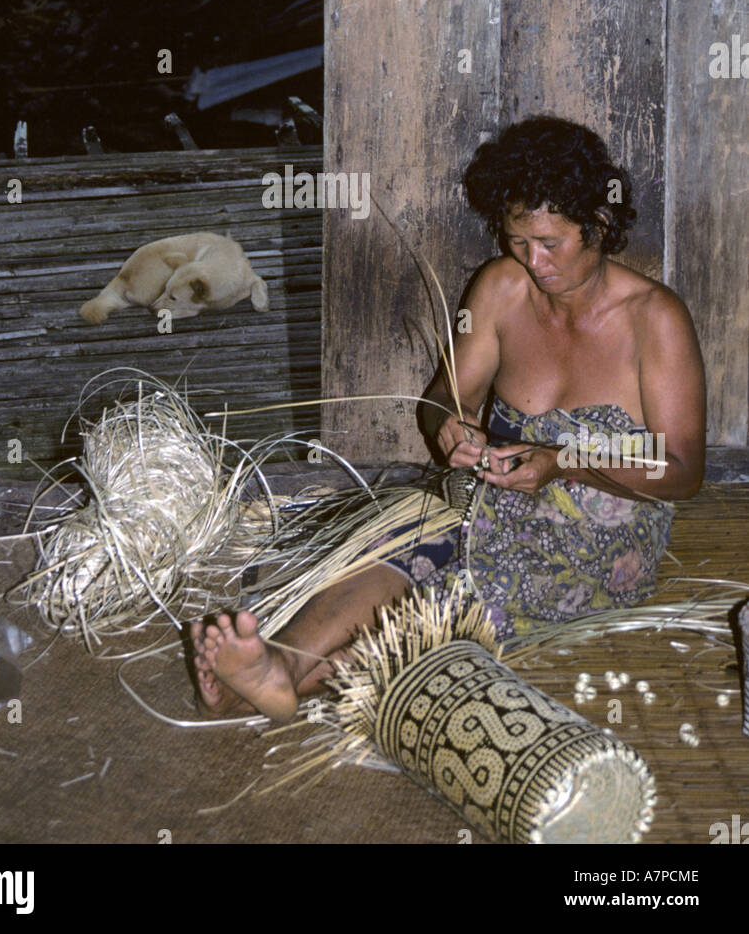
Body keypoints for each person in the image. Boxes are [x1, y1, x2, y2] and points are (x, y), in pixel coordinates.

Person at [191, 115, 706, 723]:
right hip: (495, 492)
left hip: (602, 528)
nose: (533, 261)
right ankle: (280, 660)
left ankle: (293, 680)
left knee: (469, 576)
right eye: (518, 241)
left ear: (598, 224)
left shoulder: (655, 318)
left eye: (550, 243)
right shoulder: (500, 289)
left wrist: (564, 463)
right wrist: (451, 428)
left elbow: (681, 471)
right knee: (398, 535)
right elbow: (445, 397)